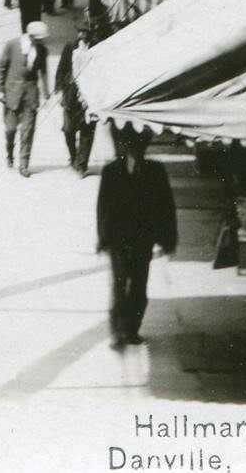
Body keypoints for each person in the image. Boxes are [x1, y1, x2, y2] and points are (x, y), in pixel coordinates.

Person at [96, 126, 178, 349]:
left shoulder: (156, 171)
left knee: (139, 285)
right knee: (120, 283)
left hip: (143, 237)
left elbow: (166, 207)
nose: (134, 148)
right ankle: (118, 331)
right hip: (118, 238)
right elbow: (102, 208)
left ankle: (132, 329)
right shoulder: (111, 171)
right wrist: (103, 237)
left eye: (139, 144)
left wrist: (168, 238)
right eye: (130, 144)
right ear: (123, 145)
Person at [0, 20, 50, 177]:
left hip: (31, 95)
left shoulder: (42, 50)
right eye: (39, 39)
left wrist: (46, 93)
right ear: (31, 37)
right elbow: (2, 67)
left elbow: (43, 72)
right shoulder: (12, 45)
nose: (41, 42)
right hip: (12, 94)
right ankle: (10, 153)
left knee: (28, 130)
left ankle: (24, 165)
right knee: (10, 129)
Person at [55, 25, 93, 178]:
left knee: (87, 131)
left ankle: (82, 165)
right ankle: (74, 156)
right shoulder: (70, 47)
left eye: (85, 33)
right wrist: (59, 90)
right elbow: (61, 69)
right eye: (80, 32)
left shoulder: (97, 47)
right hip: (70, 96)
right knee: (68, 130)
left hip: (89, 98)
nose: (82, 36)